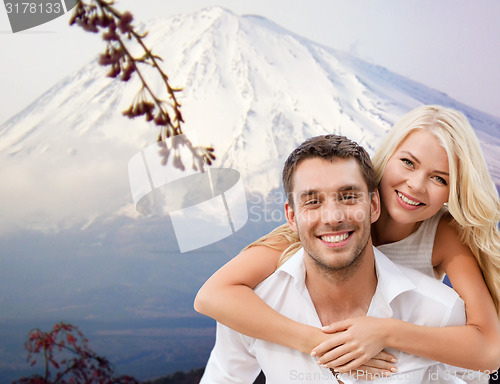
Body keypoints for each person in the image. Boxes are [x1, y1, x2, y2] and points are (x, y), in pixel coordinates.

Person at [194, 106, 500, 380]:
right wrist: (323, 345)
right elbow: (212, 295)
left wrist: (385, 331)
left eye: (440, 179)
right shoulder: (316, 230)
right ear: (387, 157)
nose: (416, 185)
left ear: (453, 192)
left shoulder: (443, 235)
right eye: (408, 162)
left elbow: (488, 350)